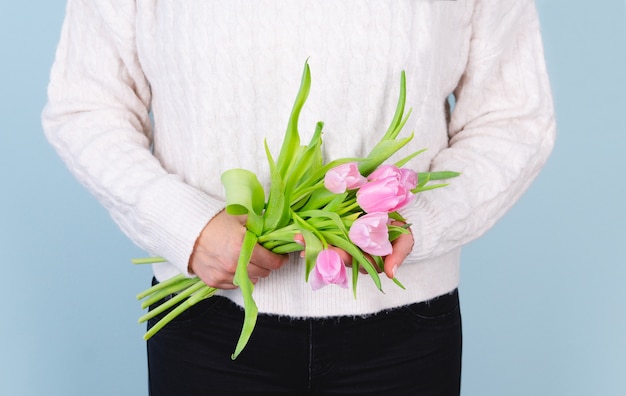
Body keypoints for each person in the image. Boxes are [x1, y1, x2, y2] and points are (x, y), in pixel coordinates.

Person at [42, 0, 555, 395]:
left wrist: (421, 219)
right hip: (208, 319)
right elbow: (87, 106)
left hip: (403, 324)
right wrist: (186, 227)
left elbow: (512, 117)